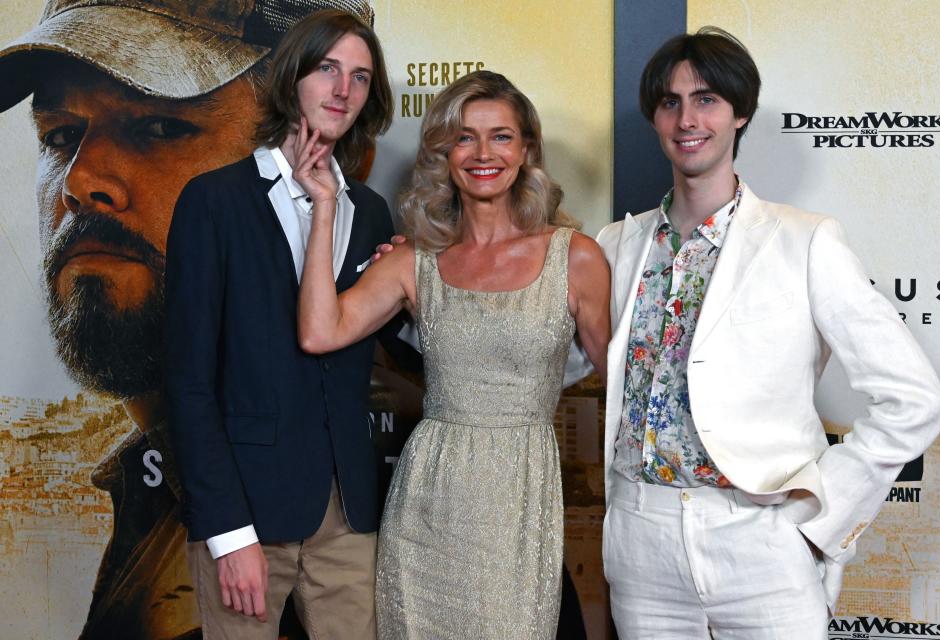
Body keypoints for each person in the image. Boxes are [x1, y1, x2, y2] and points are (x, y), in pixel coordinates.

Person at [0, 1, 375, 637]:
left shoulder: (383, 473)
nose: (81, 179)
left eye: (160, 129)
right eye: (60, 135)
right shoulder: (151, 475)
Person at [593, 27, 940, 639]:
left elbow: (915, 400)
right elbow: (548, 361)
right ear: (653, 116)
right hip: (639, 540)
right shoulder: (613, 246)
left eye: (706, 99)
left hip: (760, 541)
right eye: (671, 102)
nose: (687, 119)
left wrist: (818, 519)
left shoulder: (805, 240)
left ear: (741, 113)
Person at [297, 70, 611, 639]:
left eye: (501, 136)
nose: (483, 153)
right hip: (426, 502)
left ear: (527, 149)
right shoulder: (414, 260)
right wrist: (323, 209)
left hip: (519, 500)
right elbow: (321, 332)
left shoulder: (577, 258)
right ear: (444, 152)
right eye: (465, 137)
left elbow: (625, 383)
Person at [163, 8, 395, 640]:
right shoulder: (214, 201)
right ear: (292, 77)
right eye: (327, 69)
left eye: (361, 77)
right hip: (248, 517)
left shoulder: (370, 214)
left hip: (348, 517)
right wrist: (228, 534)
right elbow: (187, 385)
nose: (342, 89)